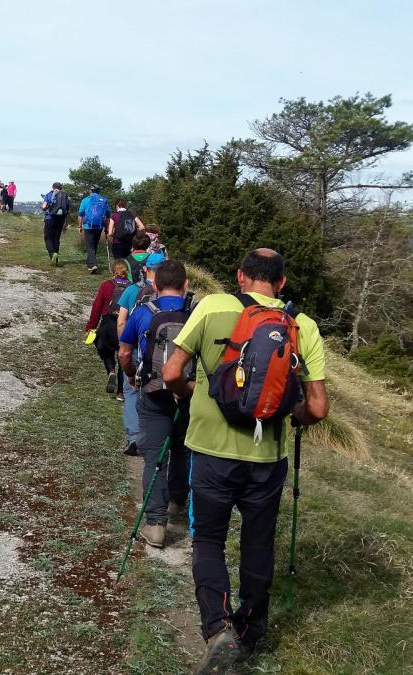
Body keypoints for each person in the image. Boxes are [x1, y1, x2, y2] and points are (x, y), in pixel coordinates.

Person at [163, 249, 329, 673]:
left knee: (209, 539)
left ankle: (218, 631)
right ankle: (251, 630)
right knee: (258, 542)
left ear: (240, 276)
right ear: (282, 282)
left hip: (212, 452)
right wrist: (293, 416)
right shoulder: (301, 325)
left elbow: (171, 373)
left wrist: (189, 395)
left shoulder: (212, 306)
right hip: (268, 458)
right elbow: (318, 407)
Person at [118, 259, 192, 548]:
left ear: (155, 285)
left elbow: (125, 353)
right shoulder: (194, 314)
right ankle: (176, 503)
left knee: (154, 456)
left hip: (152, 390)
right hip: (186, 392)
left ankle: (156, 524)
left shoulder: (142, 312)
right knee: (181, 449)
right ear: (185, 285)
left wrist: (131, 376)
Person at [114, 251, 165, 454]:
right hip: (160, 348)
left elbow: (121, 321)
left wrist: (123, 344)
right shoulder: (167, 292)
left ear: (145, 269)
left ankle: (134, 437)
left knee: (132, 390)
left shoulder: (132, 290)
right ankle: (155, 437)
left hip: (135, 346)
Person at [86, 259, 133, 397]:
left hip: (108, 324)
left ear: (112, 271)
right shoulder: (133, 288)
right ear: (127, 272)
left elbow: (96, 308)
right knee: (123, 355)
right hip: (125, 325)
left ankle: (110, 370)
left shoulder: (106, 285)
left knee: (104, 348)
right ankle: (120, 392)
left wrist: (91, 326)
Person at [78, 186, 110, 274]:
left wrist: (80, 226)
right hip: (99, 226)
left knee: (89, 245)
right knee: (94, 245)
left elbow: (80, 214)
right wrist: (106, 228)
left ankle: (92, 264)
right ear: (99, 191)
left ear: (91, 191)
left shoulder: (86, 200)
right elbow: (108, 216)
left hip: (88, 225)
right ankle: (89, 263)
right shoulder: (104, 200)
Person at [41, 182, 71, 265]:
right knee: (56, 239)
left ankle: (52, 253)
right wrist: (66, 224)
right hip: (61, 220)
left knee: (48, 238)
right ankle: (56, 260)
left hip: (50, 218)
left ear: (53, 187)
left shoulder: (49, 194)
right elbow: (67, 211)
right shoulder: (65, 196)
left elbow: (44, 206)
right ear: (61, 188)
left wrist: (44, 208)